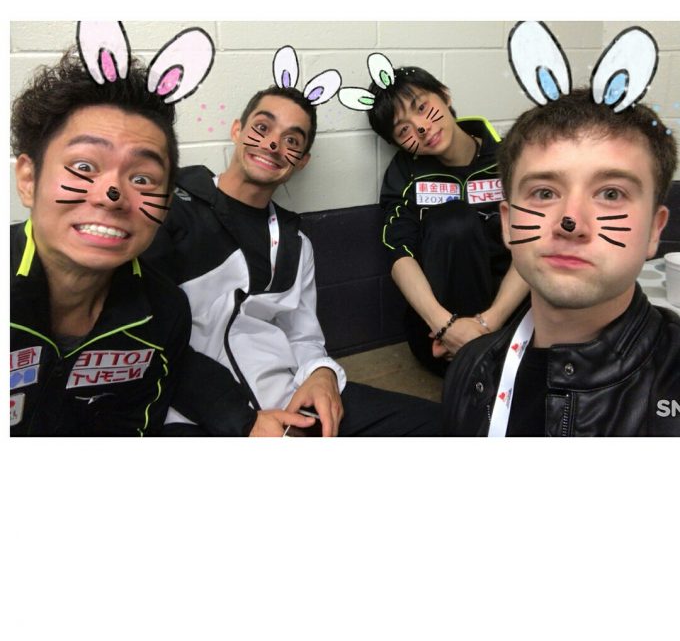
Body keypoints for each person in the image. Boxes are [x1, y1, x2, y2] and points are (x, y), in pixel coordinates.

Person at [10, 27, 313, 437]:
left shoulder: (164, 313)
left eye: (142, 178)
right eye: (84, 166)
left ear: (166, 202)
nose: (112, 194)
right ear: (28, 179)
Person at [144, 83, 442, 436]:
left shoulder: (296, 244)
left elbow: (304, 336)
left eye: (292, 140)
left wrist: (321, 373)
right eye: (262, 127)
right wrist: (242, 421)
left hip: (291, 400)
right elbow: (150, 338)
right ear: (237, 130)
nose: (273, 144)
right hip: (196, 416)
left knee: (442, 423)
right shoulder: (168, 208)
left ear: (301, 161)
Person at [442, 85, 680, 436]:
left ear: (654, 231)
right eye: (544, 193)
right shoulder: (471, 367)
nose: (571, 223)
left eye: (610, 193)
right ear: (508, 223)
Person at [357, 56, 528, 375]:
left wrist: (487, 325)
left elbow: (532, 244)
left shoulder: (510, 158)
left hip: (505, 319)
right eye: (403, 130)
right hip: (437, 334)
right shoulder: (405, 173)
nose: (421, 128)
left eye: (422, 107)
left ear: (445, 95)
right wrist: (446, 327)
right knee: (454, 221)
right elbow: (398, 253)